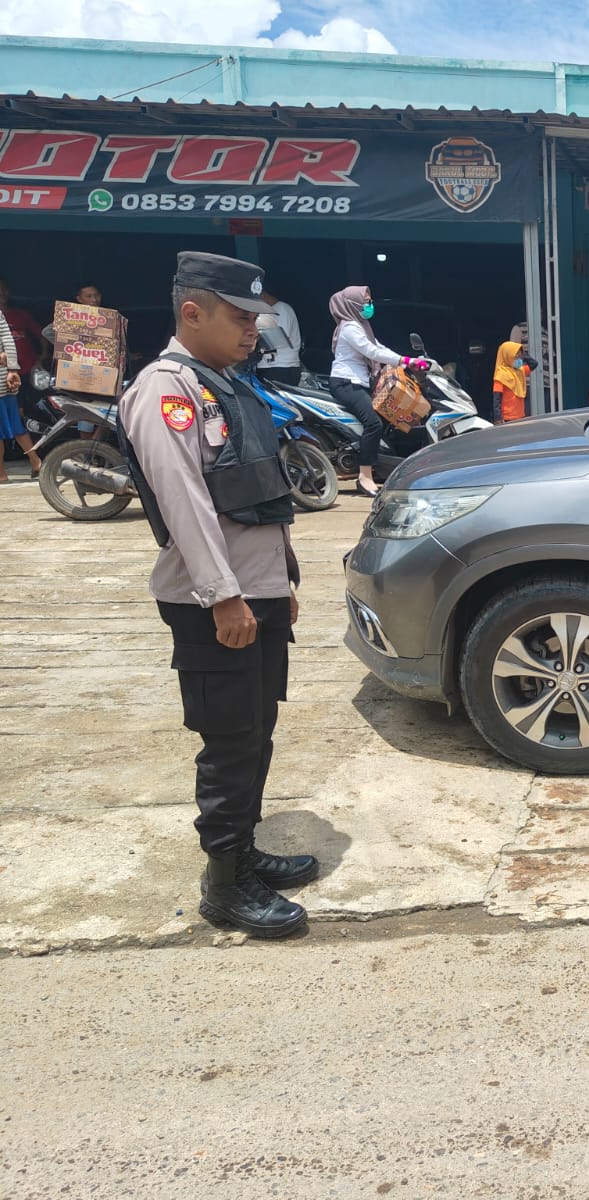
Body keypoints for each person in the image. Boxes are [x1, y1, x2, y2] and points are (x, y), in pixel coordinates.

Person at [120, 252, 317, 938]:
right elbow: (186, 504)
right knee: (229, 740)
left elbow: (262, 494)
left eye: (257, 319)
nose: (253, 332)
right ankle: (225, 885)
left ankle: (245, 852)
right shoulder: (167, 390)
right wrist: (224, 597)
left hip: (252, 591)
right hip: (214, 602)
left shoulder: (227, 384)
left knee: (256, 733)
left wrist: (280, 580)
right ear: (191, 312)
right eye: (240, 318)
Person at [327, 285, 429, 498]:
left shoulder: (362, 326)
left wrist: (407, 360)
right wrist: (403, 361)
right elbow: (370, 351)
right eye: (365, 301)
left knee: (383, 418)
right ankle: (365, 477)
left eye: (370, 301)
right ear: (353, 304)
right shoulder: (350, 328)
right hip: (346, 383)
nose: (370, 305)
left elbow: (380, 348)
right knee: (373, 423)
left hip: (358, 382)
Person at [0, 309, 44, 480]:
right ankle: (35, 461)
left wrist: (12, 368)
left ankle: (2, 475)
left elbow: (7, 338)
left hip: (3, 377)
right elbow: (7, 340)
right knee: (14, 424)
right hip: (4, 374)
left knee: (13, 423)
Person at [255, 288, 303, 386]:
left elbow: (278, 338)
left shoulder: (282, 309)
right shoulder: (267, 312)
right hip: (270, 365)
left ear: (263, 295)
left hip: (281, 366)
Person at [0, 277, 45, 377]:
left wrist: (43, 357)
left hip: (29, 371)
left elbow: (42, 336)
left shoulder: (21, 314)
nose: (2, 293)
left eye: (4, 289)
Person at [492, 339, 529, 422]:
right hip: (507, 418)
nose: (518, 360)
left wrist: (523, 354)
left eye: (519, 357)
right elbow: (497, 398)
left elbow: (534, 363)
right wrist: (498, 417)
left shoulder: (520, 371)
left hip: (520, 415)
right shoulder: (500, 375)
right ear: (507, 356)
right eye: (515, 357)